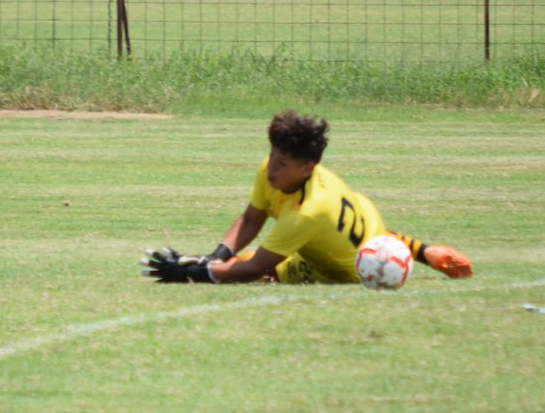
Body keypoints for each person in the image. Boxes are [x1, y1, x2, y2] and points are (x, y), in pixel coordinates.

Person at [143, 110, 473, 285]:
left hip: (344, 270)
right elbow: (251, 217)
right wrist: (215, 255)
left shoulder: (308, 212)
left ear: (308, 169)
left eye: (283, 164)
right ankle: (425, 251)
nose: (271, 169)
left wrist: (196, 273)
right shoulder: (275, 170)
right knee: (235, 263)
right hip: (370, 230)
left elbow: (255, 268)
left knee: (264, 272)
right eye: (272, 156)